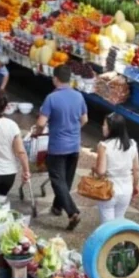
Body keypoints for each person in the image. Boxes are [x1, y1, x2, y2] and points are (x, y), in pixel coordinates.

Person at [35, 64, 88, 230]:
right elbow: (84, 119)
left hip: (58, 146)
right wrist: (73, 130)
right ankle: (57, 207)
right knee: (66, 180)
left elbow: (41, 122)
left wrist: (37, 132)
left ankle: (72, 212)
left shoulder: (51, 98)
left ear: (55, 79)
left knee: (58, 180)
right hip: (74, 146)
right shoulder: (78, 96)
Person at [95, 113, 139, 224]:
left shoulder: (104, 146)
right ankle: (119, 241)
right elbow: (137, 169)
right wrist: (136, 185)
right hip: (126, 188)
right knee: (119, 222)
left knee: (107, 227)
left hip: (109, 189)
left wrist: (94, 168)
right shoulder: (132, 144)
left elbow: (101, 171)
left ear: (112, 129)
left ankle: (112, 242)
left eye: (105, 125)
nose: (102, 127)